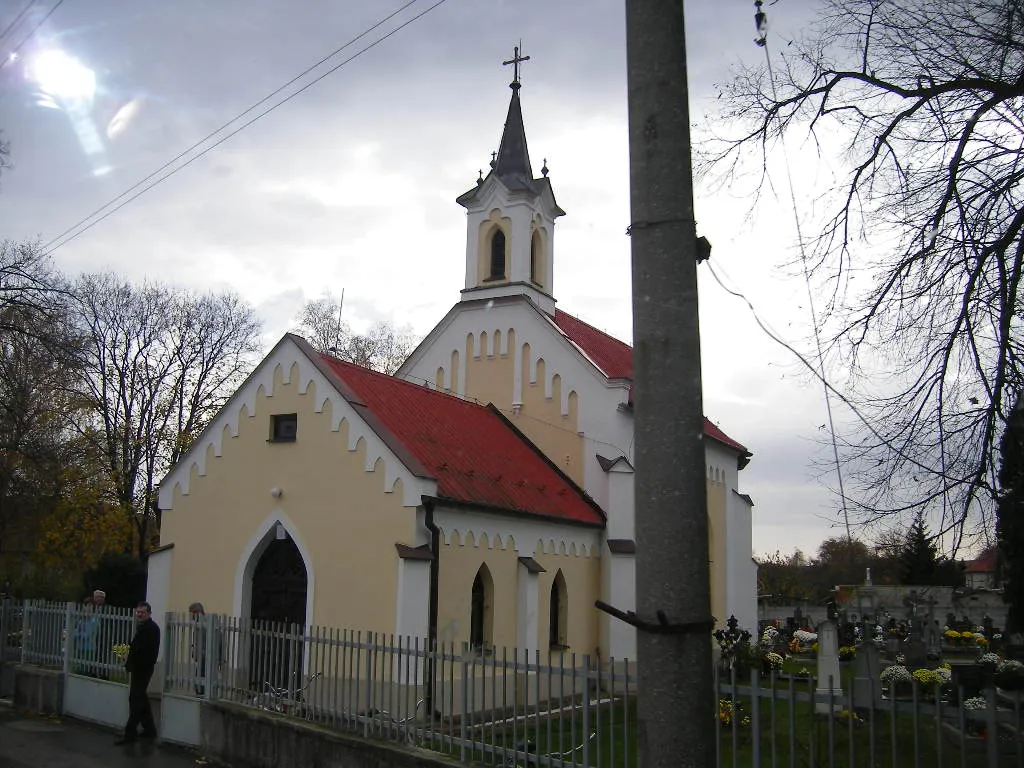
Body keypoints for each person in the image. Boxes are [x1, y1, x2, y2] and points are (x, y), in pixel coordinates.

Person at [115, 602, 160, 745]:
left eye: (143, 612)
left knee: (135, 700)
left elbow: (141, 650)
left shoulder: (151, 629)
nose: (140, 614)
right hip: (139, 668)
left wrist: (132, 660)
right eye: (138, 612)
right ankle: (149, 729)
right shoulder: (143, 627)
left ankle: (130, 734)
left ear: (149, 613)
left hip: (143, 668)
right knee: (141, 698)